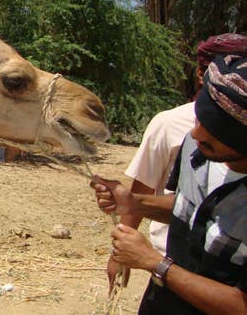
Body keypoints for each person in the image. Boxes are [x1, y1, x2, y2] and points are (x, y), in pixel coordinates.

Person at [90, 54, 247, 314]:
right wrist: (136, 203)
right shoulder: (196, 147)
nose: (196, 134)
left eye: (214, 133)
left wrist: (154, 263)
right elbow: (193, 209)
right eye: (198, 120)